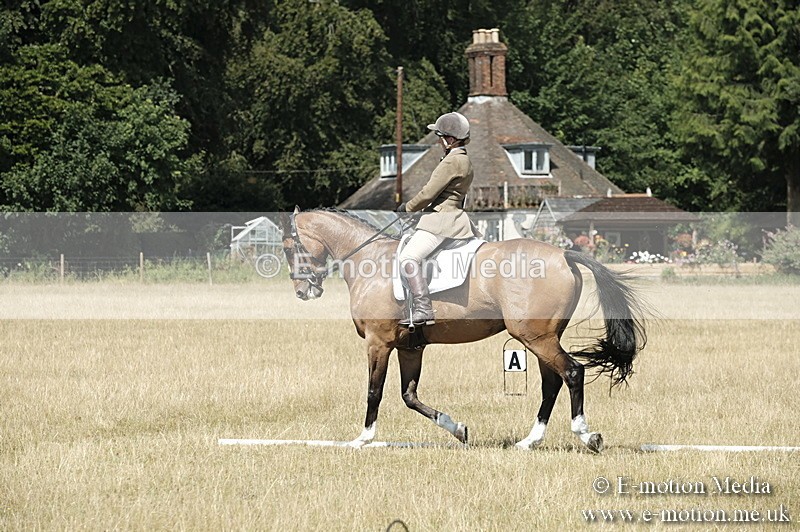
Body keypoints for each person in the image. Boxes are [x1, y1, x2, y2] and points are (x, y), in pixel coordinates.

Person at [396, 112, 479, 327]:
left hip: (442, 221)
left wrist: (407, 208)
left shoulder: (452, 161)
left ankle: (423, 308)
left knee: (408, 258)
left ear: (450, 139)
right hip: (457, 217)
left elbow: (427, 194)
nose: (438, 141)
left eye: (440, 136)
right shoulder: (466, 159)